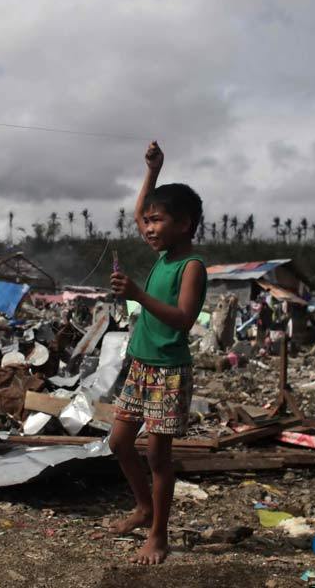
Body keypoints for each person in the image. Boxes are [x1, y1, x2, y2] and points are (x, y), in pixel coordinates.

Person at [108, 141, 206, 565]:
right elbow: (137, 211)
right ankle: (144, 506)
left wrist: (137, 295)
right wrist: (153, 170)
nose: (147, 228)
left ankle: (159, 535)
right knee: (118, 442)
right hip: (141, 366)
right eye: (145, 222)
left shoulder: (191, 267)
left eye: (157, 221)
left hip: (168, 372)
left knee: (158, 457)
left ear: (184, 224)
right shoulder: (164, 254)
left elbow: (184, 318)